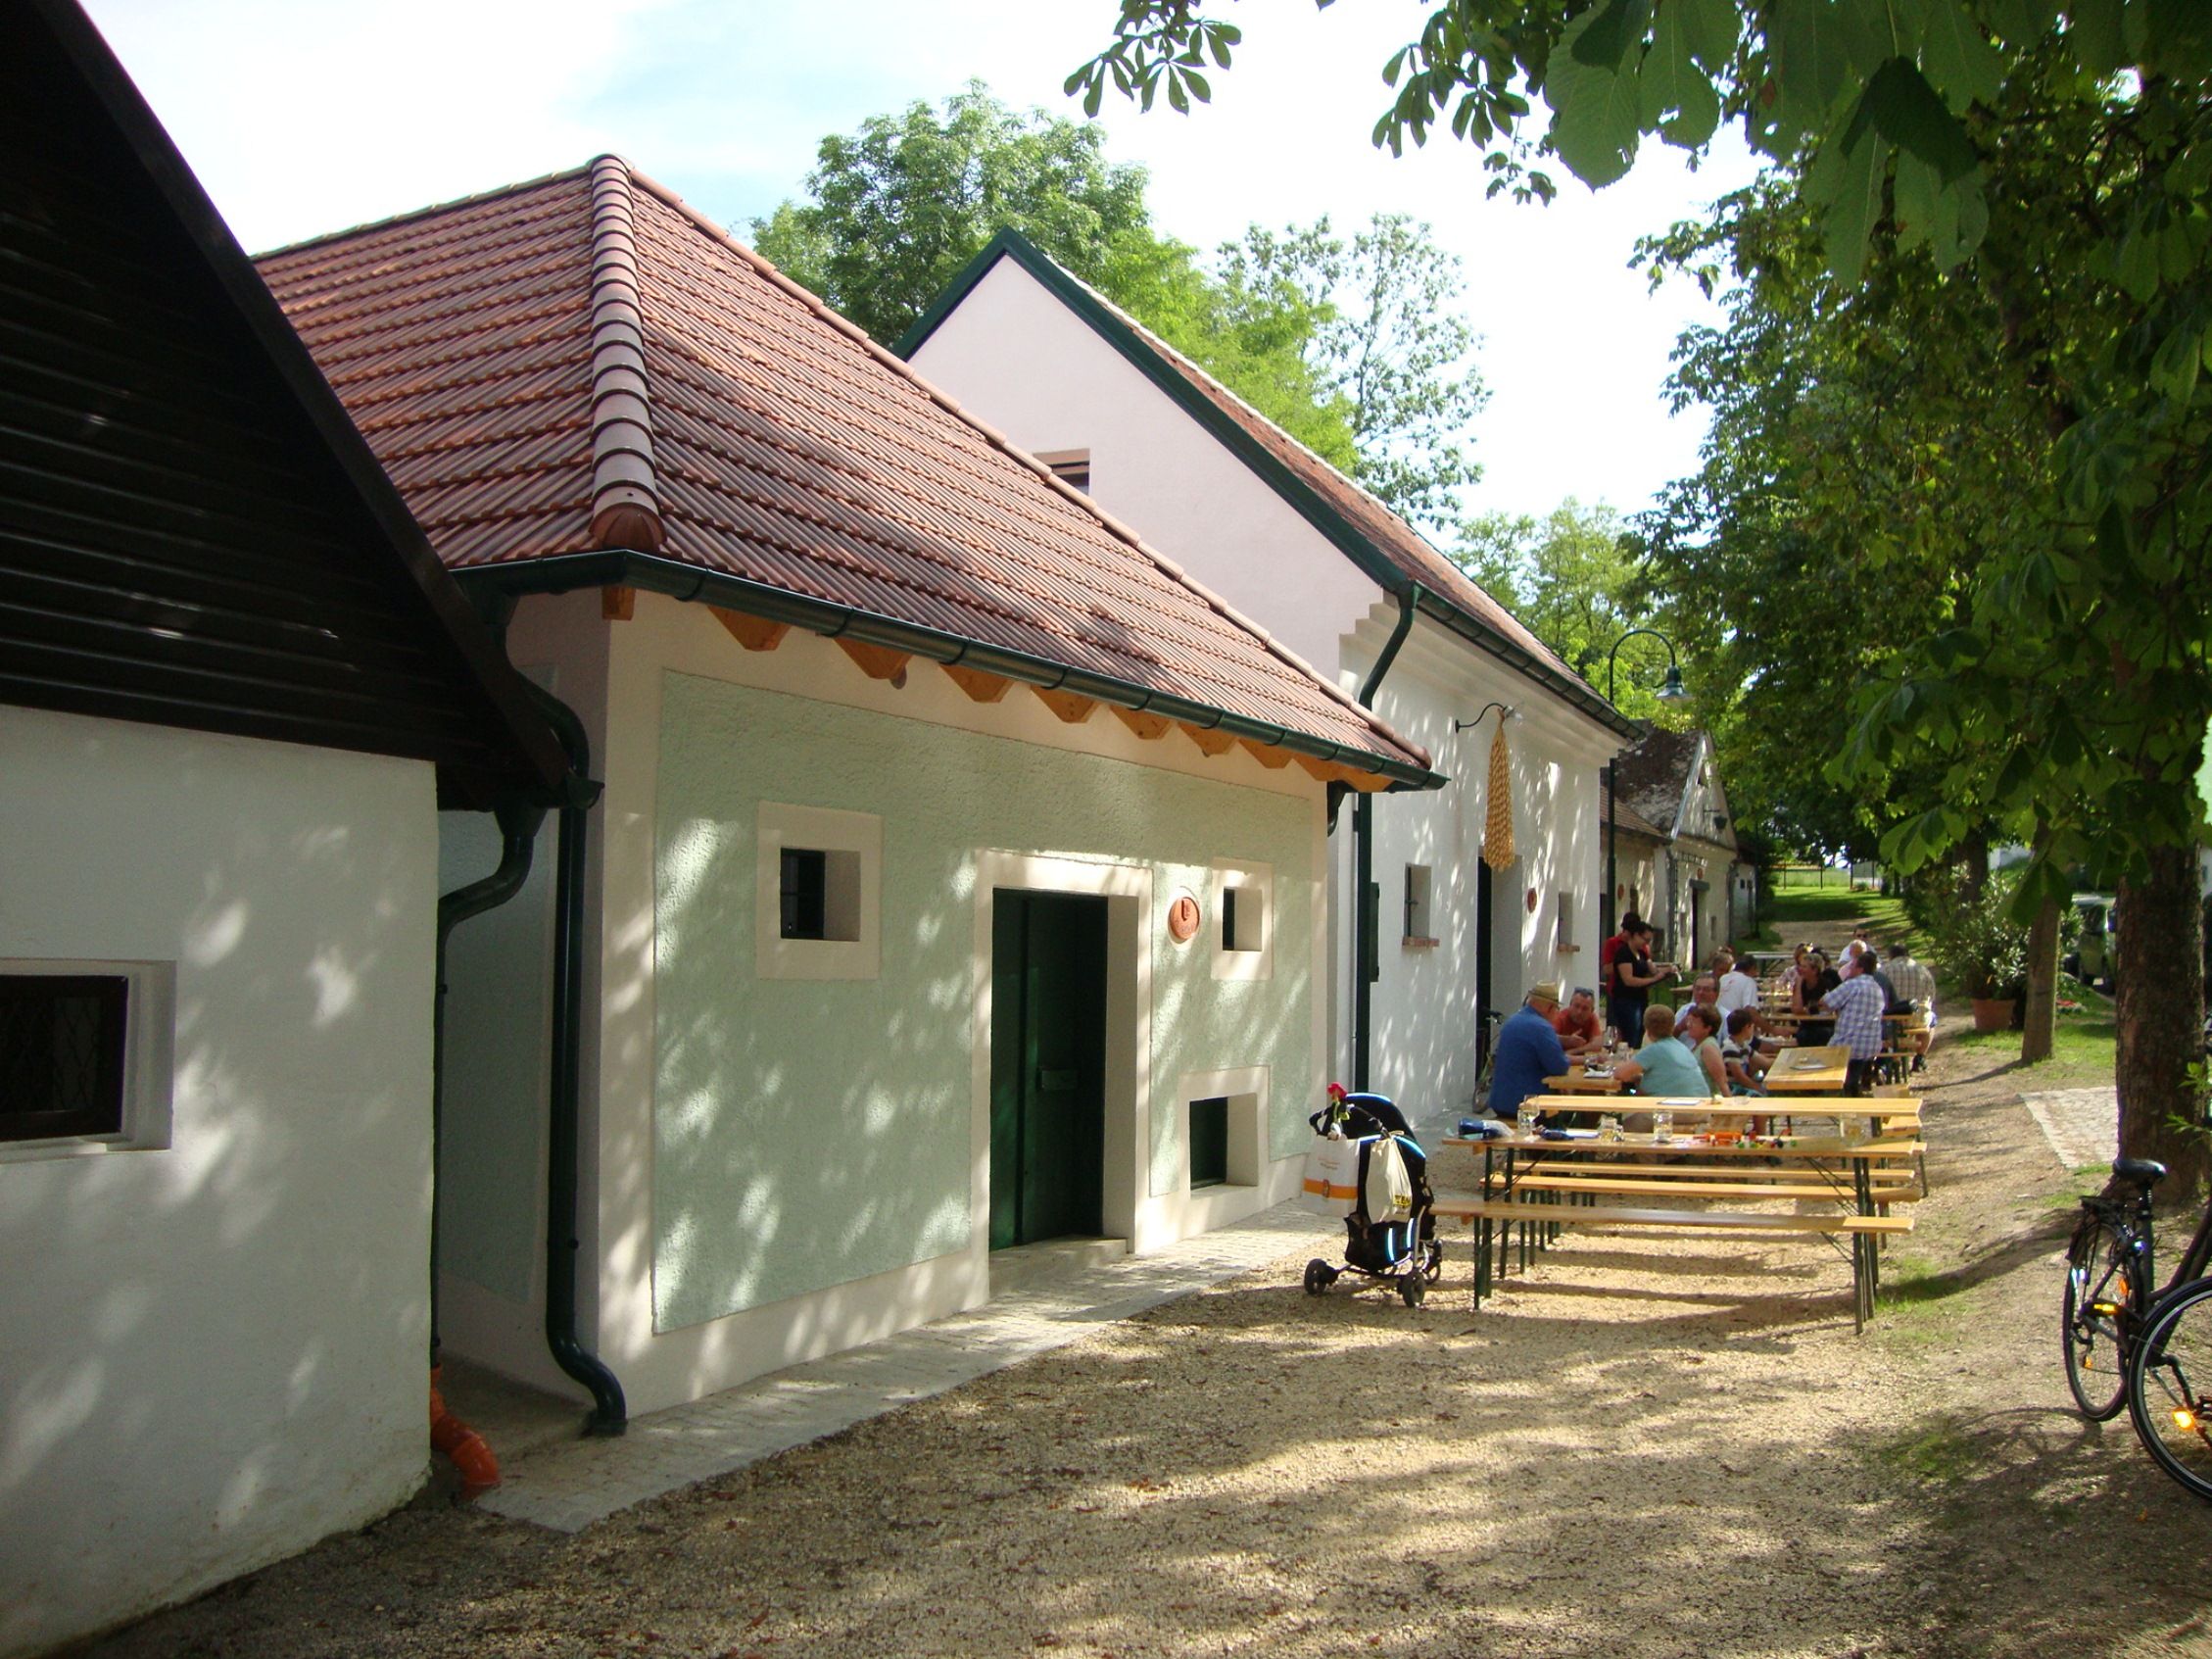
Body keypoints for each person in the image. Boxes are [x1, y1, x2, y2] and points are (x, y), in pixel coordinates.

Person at [1486, 982, 1571, 1124]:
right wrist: (1567, 1059)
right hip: (1527, 1106)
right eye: (1557, 1008)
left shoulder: (1511, 1022)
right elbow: (1559, 1067)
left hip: (1499, 1103)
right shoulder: (1542, 1027)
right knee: (1566, 1108)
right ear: (1550, 1007)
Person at [1821, 948, 1889, 1096]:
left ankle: (1830, 1093)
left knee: (1825, 1052)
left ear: (1860, 969)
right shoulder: (1877, 988)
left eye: (1852, 966)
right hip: (1871, 1044)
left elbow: (1826, 1003)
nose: (1849, 969)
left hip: (1848, 1043)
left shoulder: (1852, 984)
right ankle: (1851, 1084)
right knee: (1855, 1058)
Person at [1614, 1003, 1712, 1098]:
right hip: (1701, 1107)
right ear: (1672, 1026)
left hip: (1677, 1111)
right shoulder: (1682, 1048)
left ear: (1646, 1028)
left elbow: (1620, 1074)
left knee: (1629, 1112)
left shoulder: (1654, 1050)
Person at [1610, 922, 1676, 1040]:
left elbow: (1653, 969)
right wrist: (1653, 979)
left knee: (1641, 1032)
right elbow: (1628, 980)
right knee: (1631, 1033)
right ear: (1635, 935)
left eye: (1649, 940)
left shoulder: (1642, 953)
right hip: (1626, 1000)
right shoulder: (1624, 953)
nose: (1646, 943)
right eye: (1645, 939)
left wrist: (1668, 970)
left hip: (1640, 999)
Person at [1884, 943, 1938, 1070]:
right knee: (1932, 1020)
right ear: (1908, 954)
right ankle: (1920, 1056)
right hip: (1918, 1019)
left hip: (1892, 1020)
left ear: (1890, 956)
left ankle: (1891, 1060)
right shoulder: (1922, 970)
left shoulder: (1885, 970)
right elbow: (1932, 996)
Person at [1600, 911, 1642, 1033]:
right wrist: (1624, 961)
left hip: (1637, 993)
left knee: (1636, 1030)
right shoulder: (1613, 943)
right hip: (1617, 993)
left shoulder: (1641, 946)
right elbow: (1607, 969)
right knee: (1616, 1030)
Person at [1792, 950, 1840, 1047]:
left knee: (1820, 1035)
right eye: (1800, 966)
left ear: (1814, 970)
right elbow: (1797, 1009)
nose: (1800, 969)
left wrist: (1809, 1010)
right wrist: (1798, 984)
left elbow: (1825, 1009)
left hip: (1824, 1025)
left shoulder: (1825, 984)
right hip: (1807, 1025)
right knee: (1802, 1035)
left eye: (1804, 967)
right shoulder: (1800, 985)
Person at [1721, 1006, 1772, 1093]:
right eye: (1752, 1027)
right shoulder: (1730, 1048)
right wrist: (1759, 1089)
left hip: (1743, 1084)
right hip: (1734, 1087)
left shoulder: (1743, 1045)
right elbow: (1740, 1078)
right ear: (1746, 1028)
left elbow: (1765, 1062)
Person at [1551, 986, 1605, 1054]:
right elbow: (1548, 1037)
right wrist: (1567, 1040)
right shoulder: (1560, 1017)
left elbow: (1597, 1044)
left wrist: (1573, 1051)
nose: (1579, 1012)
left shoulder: (1592, 1018)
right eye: (1576, 1006)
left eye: (1585, 1008)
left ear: (1592, 1011)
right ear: (1570, 1005)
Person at [1717, 951, 1761, 1016]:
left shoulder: (1723, 978)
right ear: (1752, 968)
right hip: (1733, 1022)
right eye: (1756, 970)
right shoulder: (1748, 981)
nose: (1756, 974)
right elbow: (1750, 1010)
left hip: (1717, 1020)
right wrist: (1769, 1027)